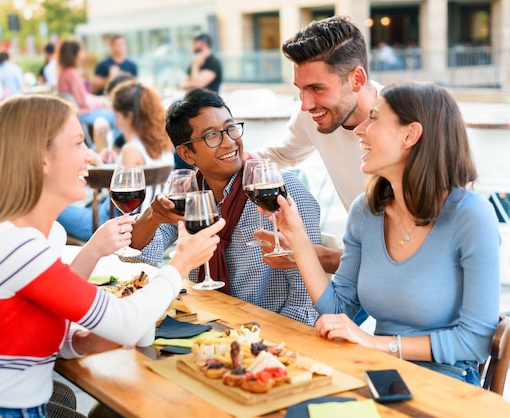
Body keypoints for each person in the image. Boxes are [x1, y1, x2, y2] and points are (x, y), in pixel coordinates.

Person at [0, 94, 224, 417]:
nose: (91, 155)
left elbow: (22, 329)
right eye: (78, 143)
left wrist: (82, 343)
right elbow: (128, 324)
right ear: (41, 158)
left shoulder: (15, 239)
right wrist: (181, 263)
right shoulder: (17, 247)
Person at [269, 81, 500, 385]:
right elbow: (340, 312)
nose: (359, 129)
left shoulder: (471, 215)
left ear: (410, 134)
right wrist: (298, 239)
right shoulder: (365, 211)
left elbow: (475, 340)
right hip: (378, 371)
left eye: (374, 118)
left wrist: (376, 343)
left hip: (447, 379)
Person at [129, 88, 322, 325]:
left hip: (267, 335)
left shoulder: (281, 190)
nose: (229, 142)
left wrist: (263, 343)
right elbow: (137, 262)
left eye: (230, 128)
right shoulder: (188, 193)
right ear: (187, 154)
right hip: (199, 325)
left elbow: (306, 301)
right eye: (212, 136)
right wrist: (152, 216)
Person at [249, 15, 382, 275]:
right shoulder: (313, 115)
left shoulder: (401, 126)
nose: (305, 104)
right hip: (363, 261)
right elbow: (279, 154)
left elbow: (413, 256)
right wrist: (224, 158)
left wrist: (308, 255)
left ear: (357, 79)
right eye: (300, 89)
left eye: (317, 88)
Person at [57, 80, 175, 241]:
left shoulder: (131, 150)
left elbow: (119, 196)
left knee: (50, 208)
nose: (116, 121)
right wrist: (111, 164)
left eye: (118, 116)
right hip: (144, 224)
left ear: (130, 116)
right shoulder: (164, 146)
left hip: (109, 224)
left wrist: (100, 166)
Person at [57, 40, 116, 134]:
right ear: (75, 54)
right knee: (117, 118)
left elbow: (83, 97)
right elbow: (83, 102)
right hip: (81, 114)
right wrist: (101, 103)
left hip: (75, 113)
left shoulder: (65, 73)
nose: (84, 53)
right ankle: (114, 146)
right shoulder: (72, 74)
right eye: (82, 50)